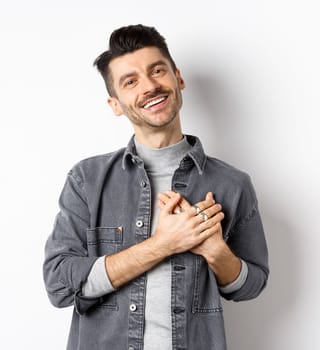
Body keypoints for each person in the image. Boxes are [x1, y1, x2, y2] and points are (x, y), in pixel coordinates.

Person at [42, 24, 269, 350]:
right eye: (131, 81)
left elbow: (252, 286)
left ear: (178, 79)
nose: (149, 86)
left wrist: (216, 252)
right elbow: (58, 284)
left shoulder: (231, 184)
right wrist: (163, 244)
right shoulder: (87, 180)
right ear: (116, 104)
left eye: (157, 70)